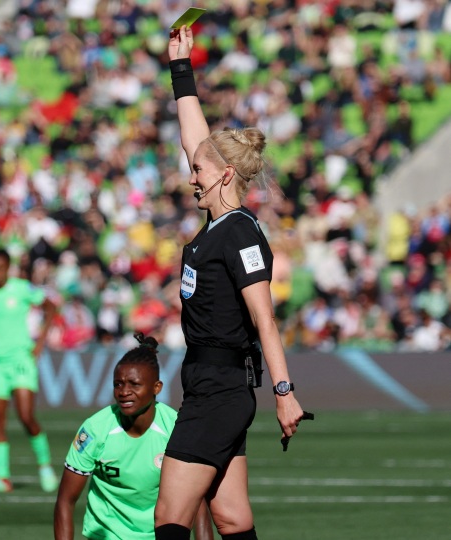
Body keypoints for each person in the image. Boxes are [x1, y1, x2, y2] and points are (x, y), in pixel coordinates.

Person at [153, 26, 305, 540]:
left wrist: (284, 392)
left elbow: (265, 318)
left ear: (222, 177)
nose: (190, 175)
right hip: (210, 383)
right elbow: (196, 140)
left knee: (169, 517)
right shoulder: (220, 223)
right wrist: (181, 68)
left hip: (220, 388)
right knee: (231, 517)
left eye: (198, 171)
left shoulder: (238, 232)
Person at [54, 333, 213, 540]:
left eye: (134, 384)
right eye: (118, 384)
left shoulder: (177, 428)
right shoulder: (94, 430)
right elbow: (65, 501)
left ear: (157, 387)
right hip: (105, 535)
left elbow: (198, 504)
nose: (124, 392)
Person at [0, 248, 58, 493]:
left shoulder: (22, 288)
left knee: (25, 416)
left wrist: (40, 341)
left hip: (21, 360)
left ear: (8, 267)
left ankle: (44, 467)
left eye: (2, 267)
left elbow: (51, 306)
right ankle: (2, 479)